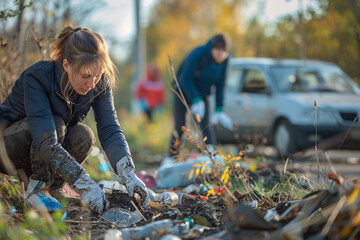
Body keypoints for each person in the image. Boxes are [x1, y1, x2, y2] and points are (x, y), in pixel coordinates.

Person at [0, 26, 149, 213]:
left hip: (44, 146)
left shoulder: (98, 83)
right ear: (66, 66)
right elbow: (47, 140)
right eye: (85, 76)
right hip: (7, 147)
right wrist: (83, 182)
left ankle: (52, 189)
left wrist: (128, 173)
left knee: (84, 135)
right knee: (56, 125)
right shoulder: (37, 77)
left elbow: (109, 127)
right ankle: (36, 191)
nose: (92, 84)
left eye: (98, 75)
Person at [167, 34, 234, 161]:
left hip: (203, 95)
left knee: (206, 126)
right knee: (180, 126)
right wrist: (195, 99)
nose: (220, 54)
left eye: (223, 51)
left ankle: (211, 157)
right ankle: (172, 157)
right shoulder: (198, 54)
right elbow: (185, 78)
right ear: (211, 49)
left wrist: (219, 107)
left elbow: (221, 84)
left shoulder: (225, 60)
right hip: (183, 91)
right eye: (217, 50)